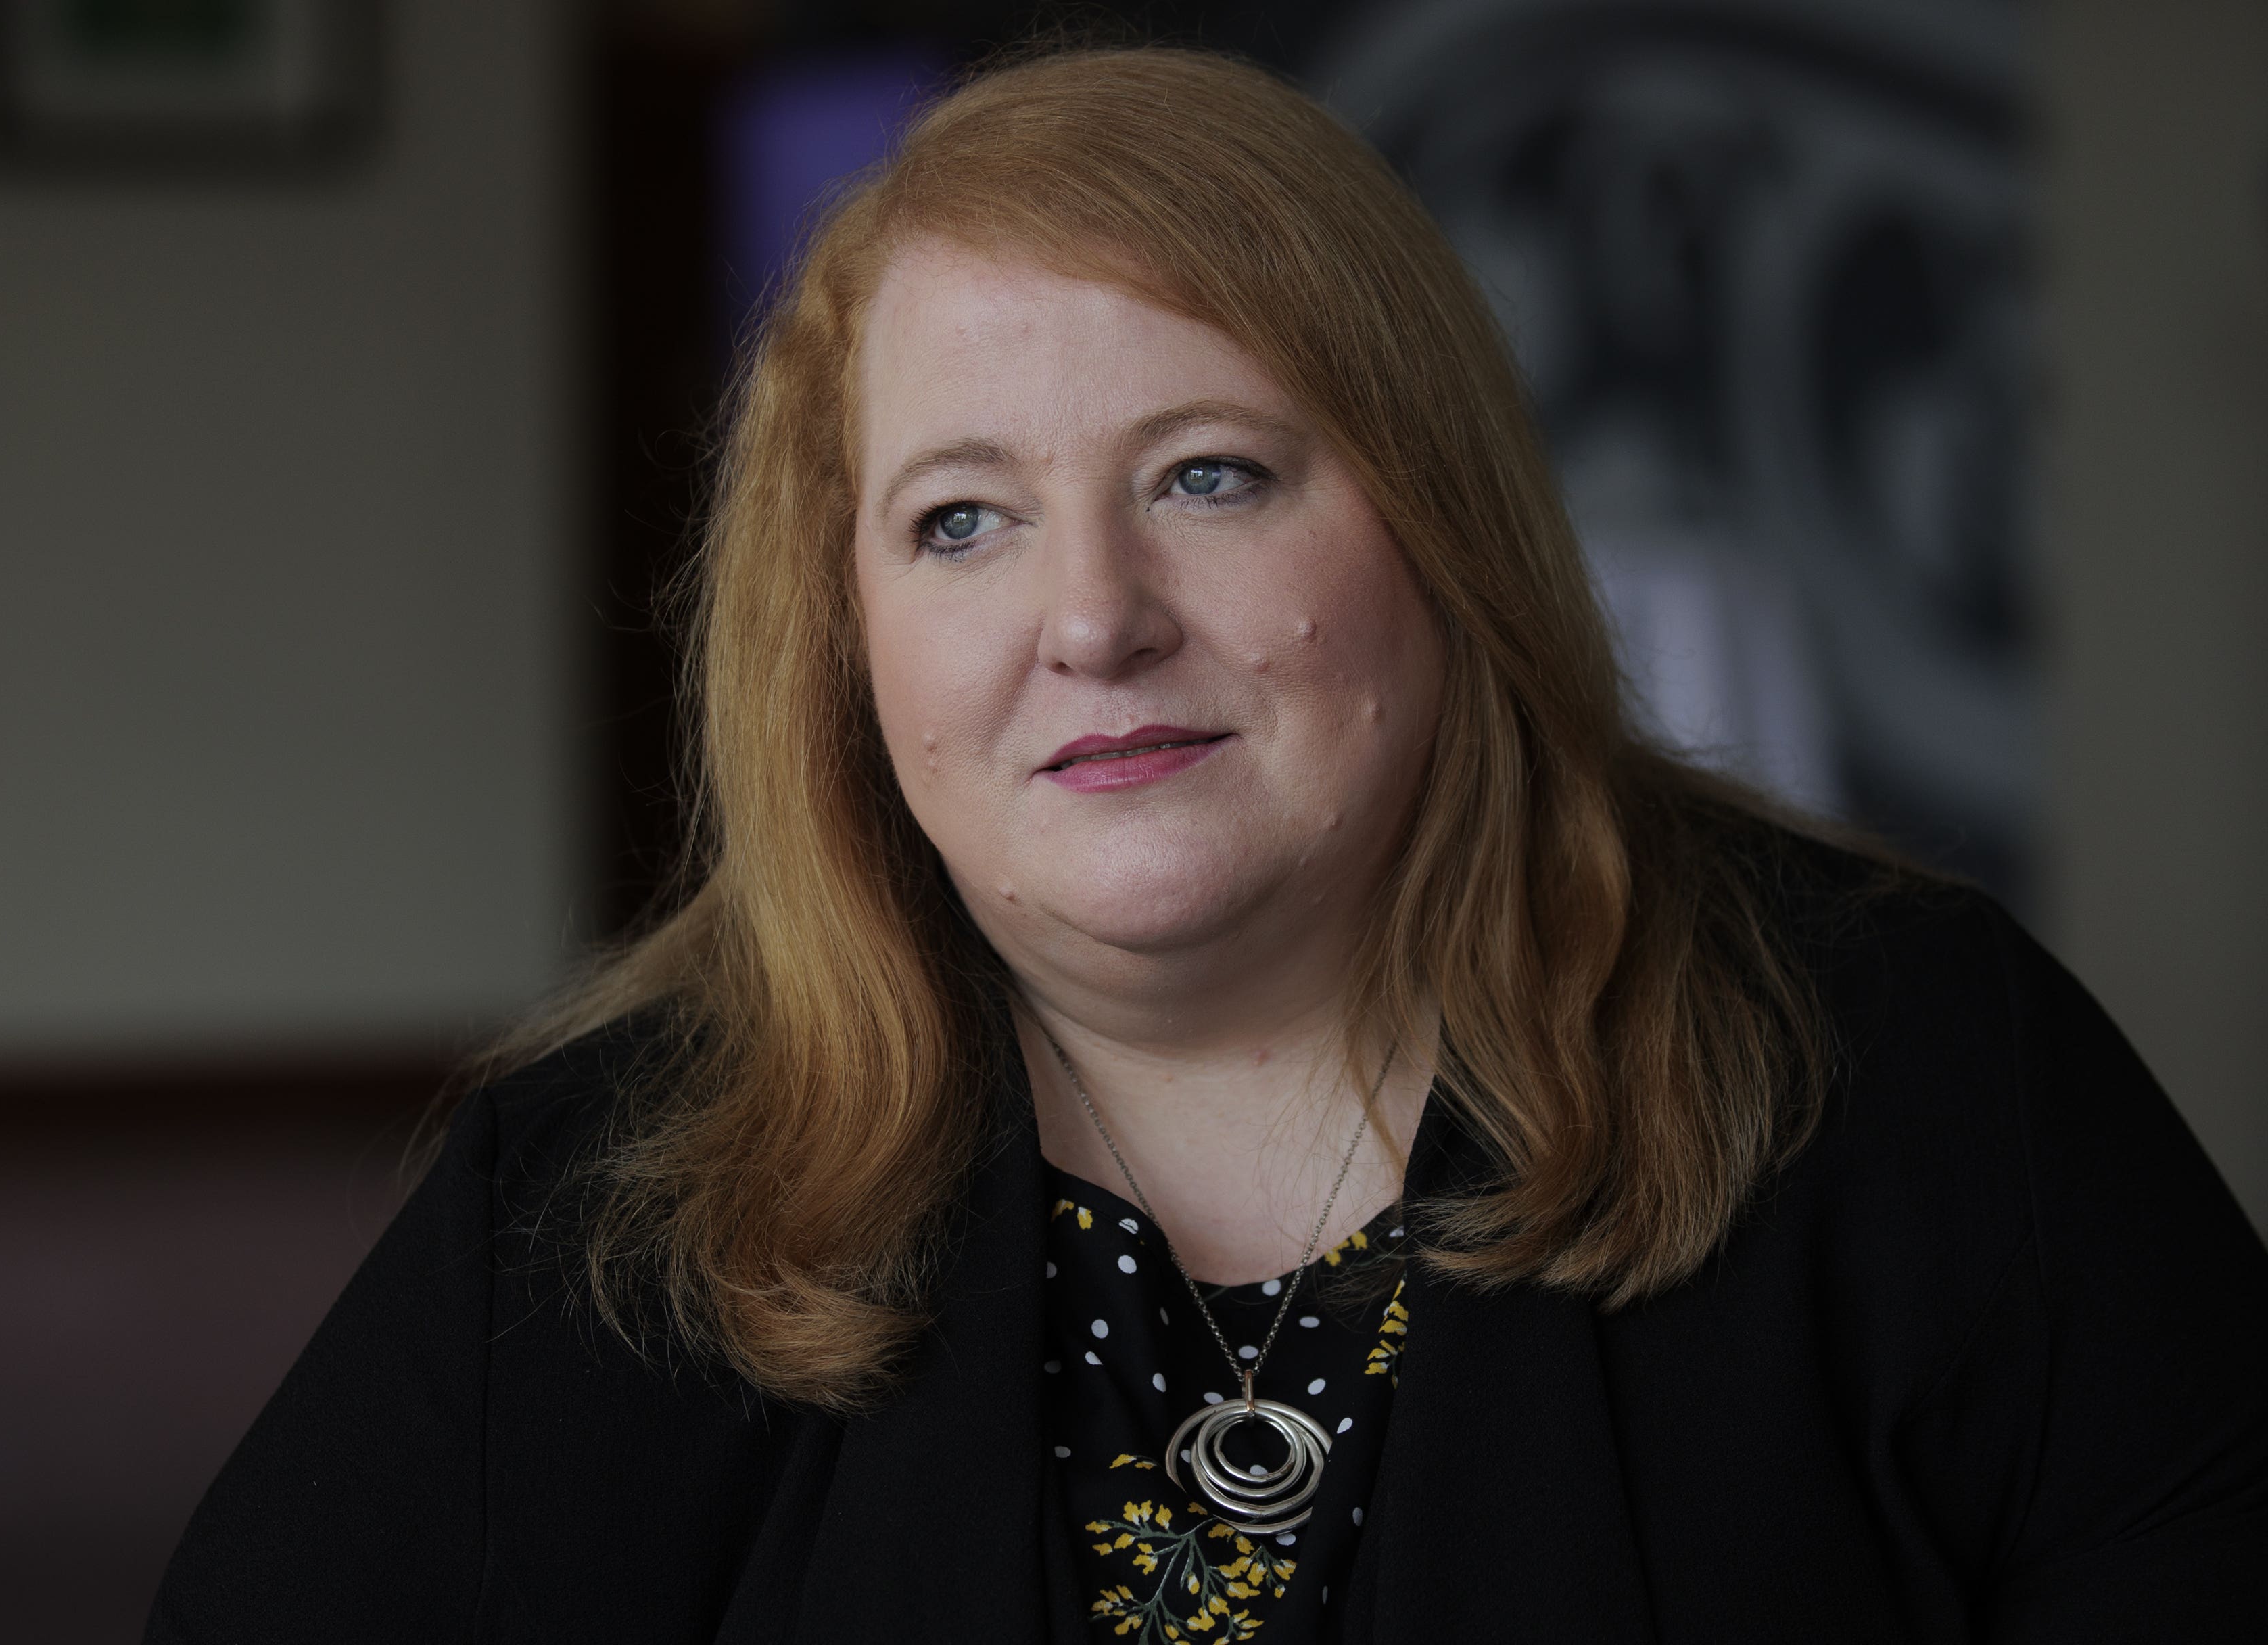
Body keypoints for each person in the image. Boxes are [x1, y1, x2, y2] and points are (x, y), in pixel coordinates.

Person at [144, 45, 2268, 1645]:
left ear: (1439, 526)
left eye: (1215, 476)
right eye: (959, 519)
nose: (1090, 618)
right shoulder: (600, 1200)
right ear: (849, 636)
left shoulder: (1914, 1069)